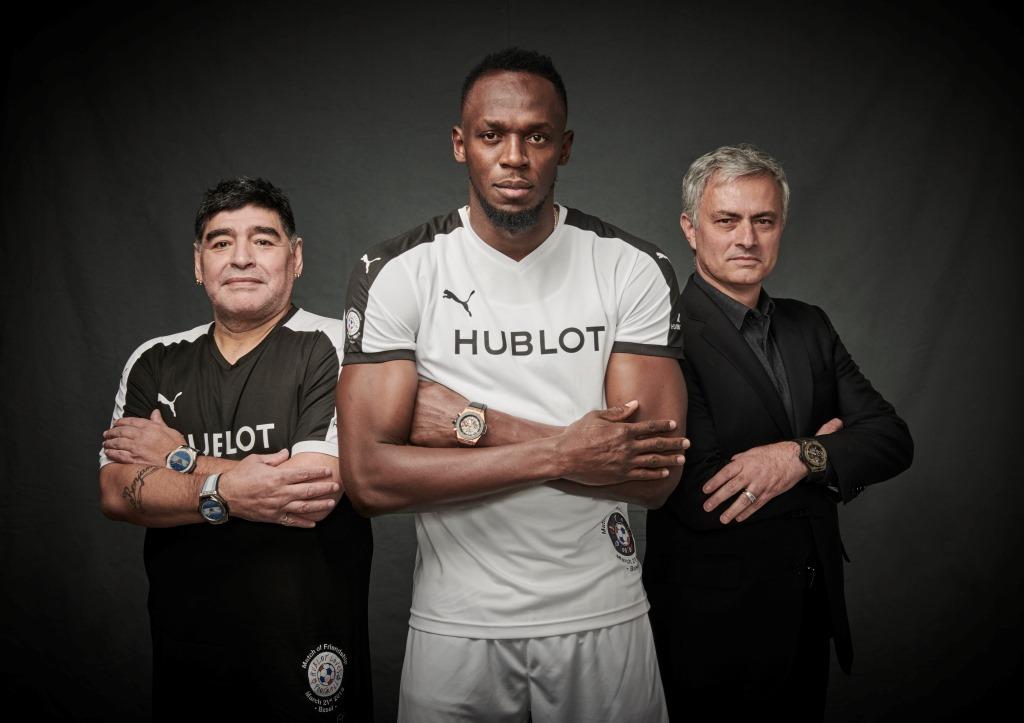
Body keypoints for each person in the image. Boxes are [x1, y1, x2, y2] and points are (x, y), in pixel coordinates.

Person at [338, 48, 688, 723]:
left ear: (566, 147)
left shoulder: (631, 267)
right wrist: (567, 451)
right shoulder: (398, 271)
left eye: (537, 136)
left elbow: (653, 477)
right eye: (492, 135)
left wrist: (472, 424)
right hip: (456, 622)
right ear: (460, 144)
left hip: (602, 614)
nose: (515, 157)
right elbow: (370, 481)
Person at [643, 144, 914, 721]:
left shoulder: (809, 324)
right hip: (710, 628)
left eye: (763, 221)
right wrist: (836, 453)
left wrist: (800, 455)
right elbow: (702, 494)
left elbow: (892, 438)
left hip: (811, 611)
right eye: (727, 220)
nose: (747, 238)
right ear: (690, 229)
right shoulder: (660, 331)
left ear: (780, 227)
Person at [98, 177, 372, 721]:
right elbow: (116, 492)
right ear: (198, 263)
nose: (241, 257)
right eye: (221, 242)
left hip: (306, 642)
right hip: (186, 645)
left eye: (263, 240)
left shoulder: (334, 346)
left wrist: (180, 461)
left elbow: (310, 489)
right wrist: (231, 490)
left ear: (296, 257)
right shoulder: (155, 360)